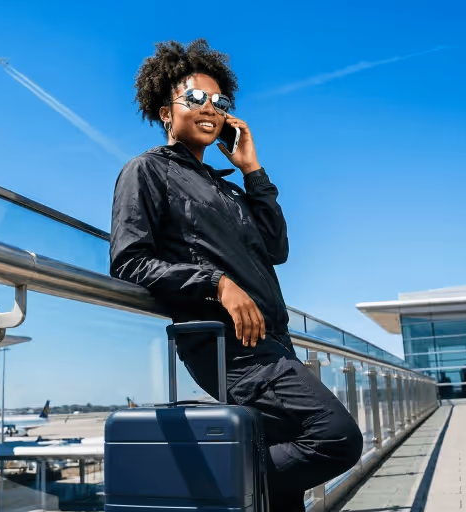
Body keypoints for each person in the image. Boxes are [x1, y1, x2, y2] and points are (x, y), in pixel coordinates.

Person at [109, 39, 362, 511]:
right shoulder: (146, 170)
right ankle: (190, 483)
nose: (211, 107)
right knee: (336, 438)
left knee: (285, 490)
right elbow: (129, 261)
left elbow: (277, 248)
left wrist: (252, 170)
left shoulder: (228, 189)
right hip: (228, 348)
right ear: (166, 113)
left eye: (220, 101)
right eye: (195, 98)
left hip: (273, 341)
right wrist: (217, 283)